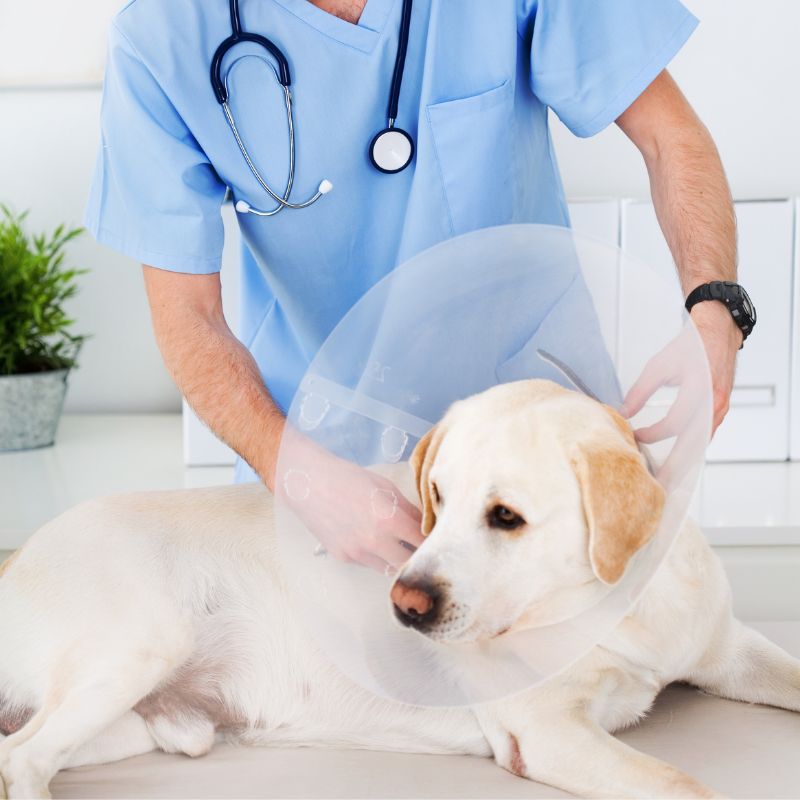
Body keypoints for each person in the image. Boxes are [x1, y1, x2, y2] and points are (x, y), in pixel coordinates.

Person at [86, 0, 750, 570]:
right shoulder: (163, 36)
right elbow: (188, 317)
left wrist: (716, 312)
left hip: (544, 454)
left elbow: (672, 140)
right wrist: (294, 471)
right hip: (328, 477)